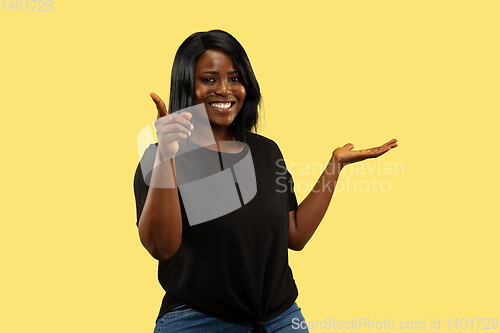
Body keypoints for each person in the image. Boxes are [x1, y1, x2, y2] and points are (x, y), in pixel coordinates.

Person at [133, 29, 398, 333]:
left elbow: (295, 234)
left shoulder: (266, 150)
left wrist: (335, 167)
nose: (224, 89)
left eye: (234, 78)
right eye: (209, 79)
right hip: (199, 321)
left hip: (281, 319)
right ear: (186, 86)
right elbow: (160, 247)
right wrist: (167, 155)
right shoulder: (159, 159)